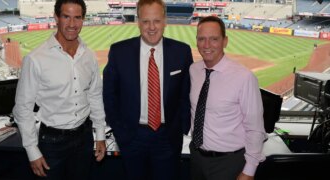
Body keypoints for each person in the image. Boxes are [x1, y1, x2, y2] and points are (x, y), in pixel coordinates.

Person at [13, 0, 106, 179]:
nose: (72, 24)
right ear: (56, 17)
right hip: (52, 142)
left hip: (85, 137)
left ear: (83, 19)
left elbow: (94, 96)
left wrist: (100, 134)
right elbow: (23, 108)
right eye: (66, 17)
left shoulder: (89, 56)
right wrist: (32, 151)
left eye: (77, 18)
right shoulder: (35, 59)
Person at [103, 0, 193, 179]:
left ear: (165, 20)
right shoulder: (119, 52)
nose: (151, 27)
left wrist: (181, 128)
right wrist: (121, 132)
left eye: (157, 20)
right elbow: (109, 96)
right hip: (132, 137)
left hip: (167, 138)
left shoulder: (181, 51)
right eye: (145, 21)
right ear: (138, 22)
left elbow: (186, 94)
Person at [189, 16, 267, 180]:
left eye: (214, 39)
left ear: (225, 41)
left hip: (229, 163)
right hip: (196, 158)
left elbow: (255, 128)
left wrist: (249, 171)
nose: (207, 45)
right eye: (201, 39)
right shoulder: (194, 70)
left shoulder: (244, 77)